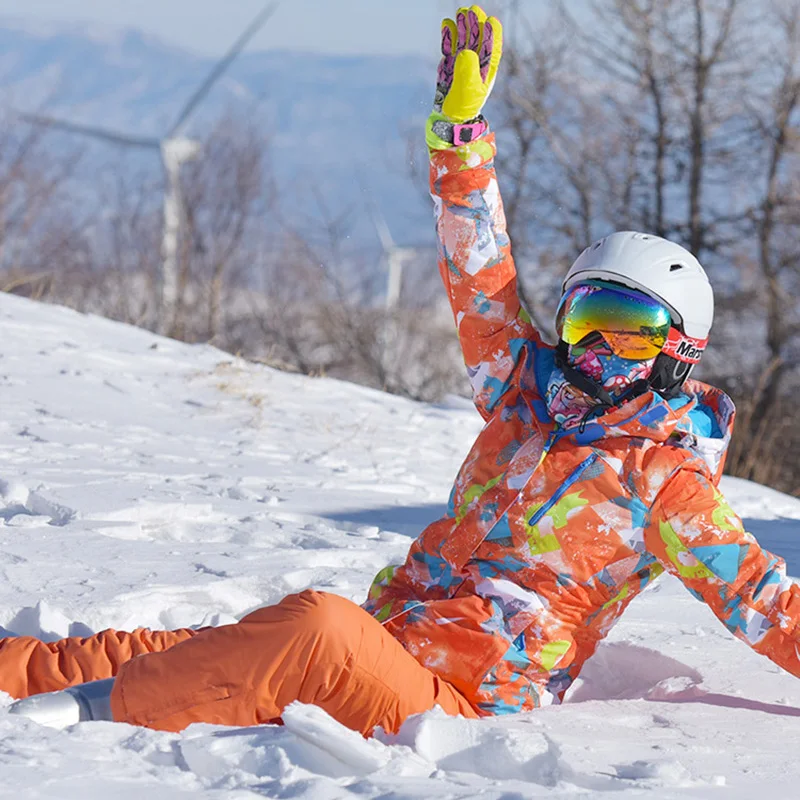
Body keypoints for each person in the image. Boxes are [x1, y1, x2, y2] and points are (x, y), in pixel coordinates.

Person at [5, 4, 800, 735]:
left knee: (312, 626)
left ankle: (82, 722)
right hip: (388, 645)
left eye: (629, 334)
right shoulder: (526, 391)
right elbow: (479, 277)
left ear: (678, 351)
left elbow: (766, 602)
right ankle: (23, 679)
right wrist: (462, 137)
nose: (596, 352)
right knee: (164, 644)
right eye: (587, 322)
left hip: (454, 705)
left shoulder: (667, 482)